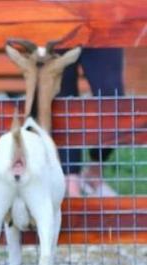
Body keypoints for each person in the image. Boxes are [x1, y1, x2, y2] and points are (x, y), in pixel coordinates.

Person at [58, 48, 124, 197]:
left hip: (103, 28)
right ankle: (71, 186)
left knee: (114, 102)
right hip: (56, 30)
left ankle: (93, 173)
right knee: (63, 100)